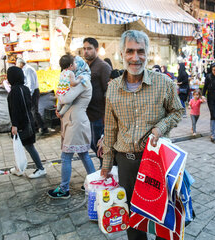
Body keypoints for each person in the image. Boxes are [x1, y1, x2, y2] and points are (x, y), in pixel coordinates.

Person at [100, 30, 184, 240]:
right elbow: (110, 129)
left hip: (157, 161)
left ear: (148, 54)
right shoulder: (112, 90)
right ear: (121, 53)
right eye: (130, 51)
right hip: (127, 163)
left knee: (162, 216)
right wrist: (106, 166)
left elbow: (177, 111)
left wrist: (160, 128)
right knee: (134, 222)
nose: (135, 58)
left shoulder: (163, 83)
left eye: (140, 51)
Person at [47, 56, 96, 199]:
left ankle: (64, 189)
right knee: (83, 154)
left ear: (80, 66)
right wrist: (60, 111)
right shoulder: (80, 80)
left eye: (75, 63)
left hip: (76, 123)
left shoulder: (82, 81)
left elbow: (66, 98)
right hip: (74, 121)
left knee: (66, 156)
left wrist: (58, 95)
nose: (73, 65)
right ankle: (93, 183)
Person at [6, 66, 47, 178]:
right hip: (28, 121)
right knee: (19, 145)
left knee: (28, 146)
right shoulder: (24, 88)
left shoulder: (15, 91)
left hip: (23, 124)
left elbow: (16, 110)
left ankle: (40, 168)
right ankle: (18, 168)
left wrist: (14, 125)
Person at [83, 38, 112, 168]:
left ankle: (106, 166)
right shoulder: (87, 66)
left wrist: (106, 115)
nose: (86, 51)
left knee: (98, 143)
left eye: (89, 48)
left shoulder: (103, 66)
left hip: (100, 114)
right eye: (84, 49)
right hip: (89, 113)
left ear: (97, 50)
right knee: (91, 143)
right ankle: (105, 164)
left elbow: (109, 92)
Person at [16, 58, 48, 135]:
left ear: (21, 63)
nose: (17, 66)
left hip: (33, 92)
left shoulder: (28, 70)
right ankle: (35, 127)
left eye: (17, 64)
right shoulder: (25, 69)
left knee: (34, 110)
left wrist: (29, 94)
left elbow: (31, 84)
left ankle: (43, 128)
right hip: (32, 91)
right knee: (31, 110)